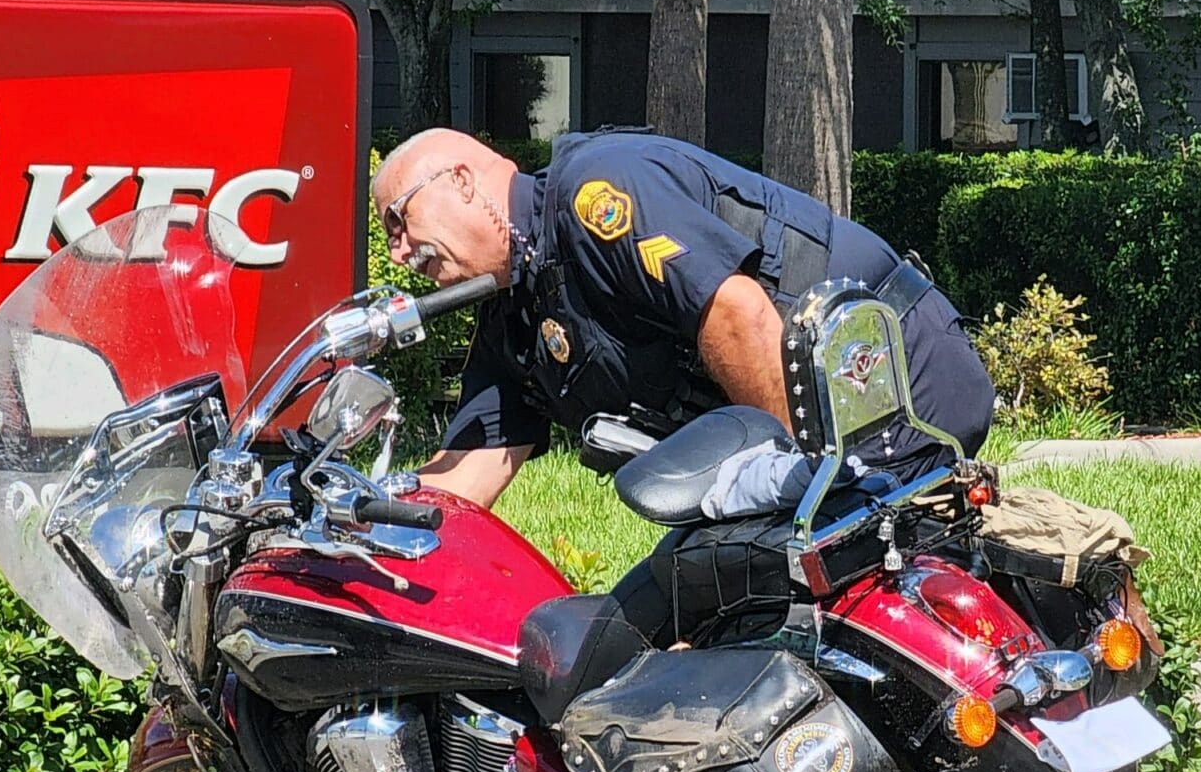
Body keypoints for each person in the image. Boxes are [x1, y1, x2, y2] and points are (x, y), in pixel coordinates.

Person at [370, 128, 996, 512]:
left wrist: (798, 506)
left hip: (892, 385)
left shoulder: (595, 194)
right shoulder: (517, 315)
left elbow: (739, 317)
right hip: (816, 445)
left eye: (400, 219)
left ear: (461, 180)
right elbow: (464, 478)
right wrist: (358, 518)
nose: (399, 250)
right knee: (628, 637)